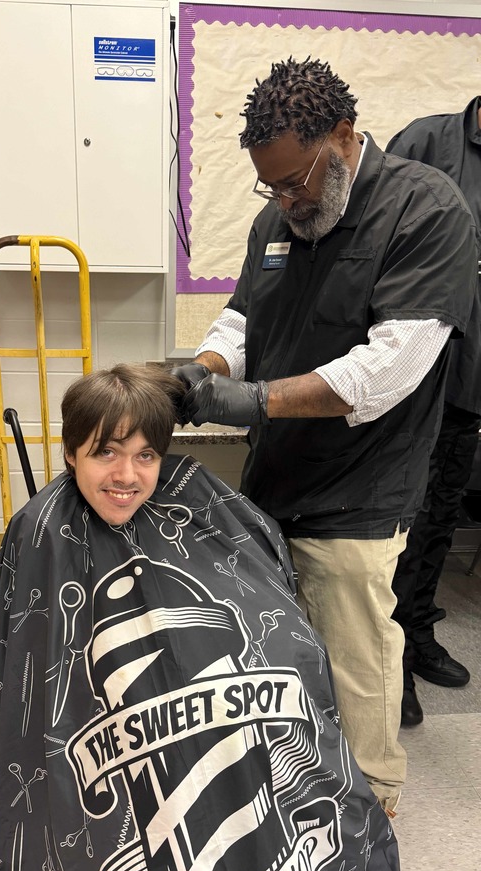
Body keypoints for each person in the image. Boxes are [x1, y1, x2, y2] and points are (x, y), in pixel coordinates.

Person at [0, 363, 435, 871]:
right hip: (118, 707)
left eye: (146, 454)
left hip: (207, 680)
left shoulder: (197, 502)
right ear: (69, 452)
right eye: (105, 452)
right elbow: (26, 663)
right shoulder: (40, 531)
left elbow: (259, 576)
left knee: (264, 715)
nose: (127, 476)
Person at [173, 56, 478, 817]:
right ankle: (293, 779)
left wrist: (245, 400)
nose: (283, 199)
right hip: (277, 477)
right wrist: (202, 369)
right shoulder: (277, 219)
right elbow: (244, 321)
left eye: (295, 181)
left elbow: (386, 370)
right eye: (268, 185)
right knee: (278, 646)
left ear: (344, 137)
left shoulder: (426, 211)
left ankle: (372, 805)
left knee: (355, 656)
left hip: (362, 486)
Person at [385, 98, 481, 727]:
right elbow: (375, 239)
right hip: (417, 371)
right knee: (402, 522)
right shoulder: (426, 143)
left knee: (444, 510)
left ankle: (419, 634)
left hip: (474, 371)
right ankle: (390, 659)